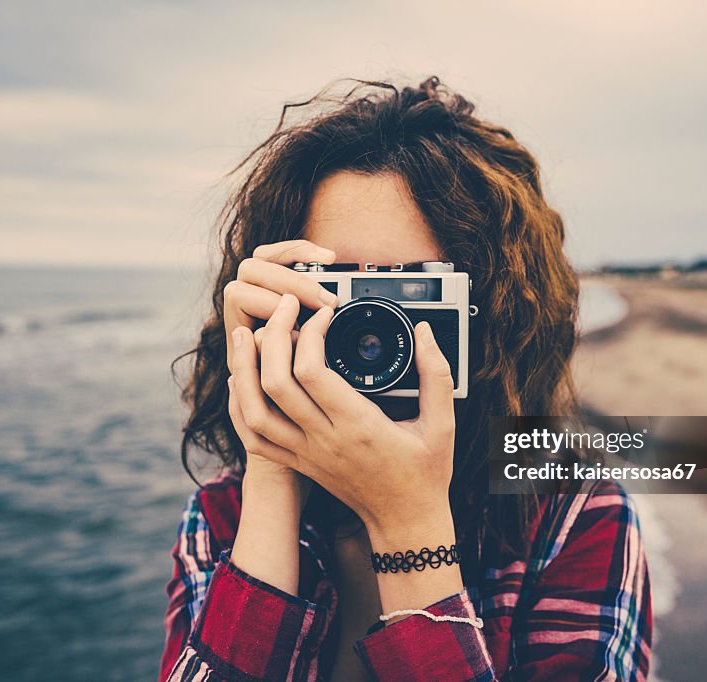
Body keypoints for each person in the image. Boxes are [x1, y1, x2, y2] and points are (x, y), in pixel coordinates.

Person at [159, 77, 651, 681]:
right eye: (336, 288)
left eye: (412, 291)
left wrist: (409, 527)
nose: (372, 330)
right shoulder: (223, 517)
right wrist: (272, 481)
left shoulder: (573, 517)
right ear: (271, 300)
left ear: (492, 313)